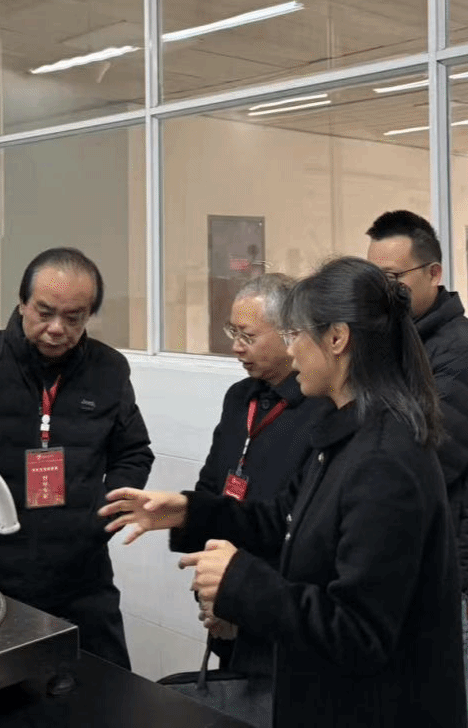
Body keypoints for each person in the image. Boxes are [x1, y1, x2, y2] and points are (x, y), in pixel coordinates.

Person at [101, 257, 465, 728]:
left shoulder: (384, 459)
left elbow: (359, 632)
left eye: (294, 335)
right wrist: (190, 512)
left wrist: (241, 583)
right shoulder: (346, 433)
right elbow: (283, 518)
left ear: (337, 338)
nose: (291, 352)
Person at [366, 210, 468, 728]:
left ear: (433, 273)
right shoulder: (402, 343)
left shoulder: (460, 353)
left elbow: (425, 460)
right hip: (421, 556)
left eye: (393, 279)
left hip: (461, 567)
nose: (383, 292)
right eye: (374, 279)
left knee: (455, 711)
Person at [0, 247, 154, 670]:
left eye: (74, 318)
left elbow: (133, 452)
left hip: (80, 574)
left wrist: (101, 519)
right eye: (45, 312)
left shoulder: (108, 370)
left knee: (105, 687)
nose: (57, 329)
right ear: (22, 303)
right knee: (1, 689)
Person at [186, 273, 334, 725]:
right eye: (232, 332)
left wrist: (241, 600)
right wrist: (211, 587)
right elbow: (213, 485)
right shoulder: (240, 398)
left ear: (291, 334)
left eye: (248, 336)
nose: (236, 347)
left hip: (281, 607)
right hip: (226, 598)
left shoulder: (321, 410)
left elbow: (299, 527)